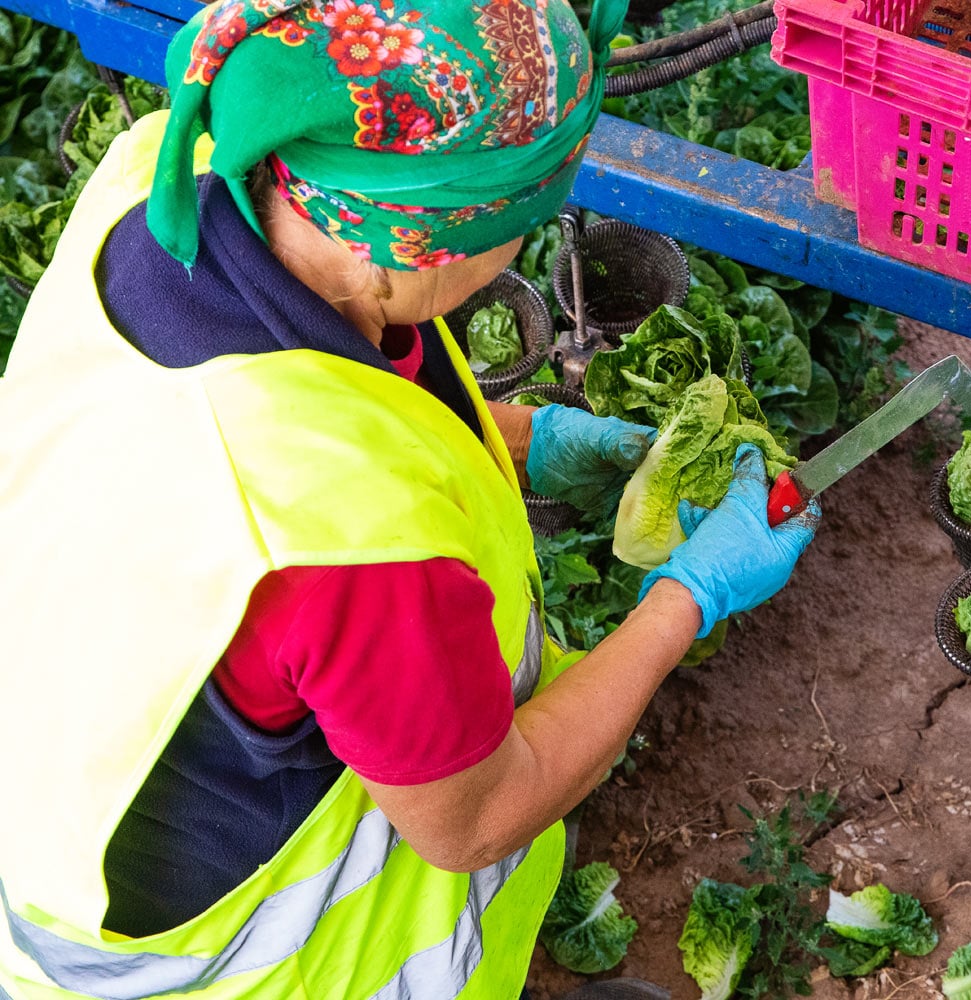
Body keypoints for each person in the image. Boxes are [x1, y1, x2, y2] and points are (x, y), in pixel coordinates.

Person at [0, 0, 820, 995]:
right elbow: (473, 817)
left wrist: (535, 441)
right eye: (516, 228)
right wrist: (684, 597)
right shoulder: (348, 544)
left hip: (59, 776)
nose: (516, 255)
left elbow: (318, 400)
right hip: (208, 959)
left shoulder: (173, 182)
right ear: (423, 244)